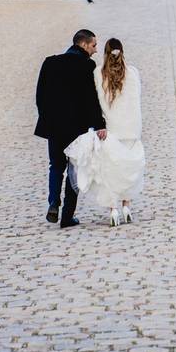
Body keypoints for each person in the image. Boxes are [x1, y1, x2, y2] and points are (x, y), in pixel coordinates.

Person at [65, 38, 145, 227]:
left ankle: (114, 210)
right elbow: (137, 98)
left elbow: (96, 103)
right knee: (129, 168)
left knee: (110, 170)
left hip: (111, 130)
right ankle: (126, 206)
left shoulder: (98, 73)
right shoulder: (133, 73)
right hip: (132, 129)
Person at [34, 29, 107, 229]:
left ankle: (53, 203)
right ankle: (67, 217)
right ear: (83, 45)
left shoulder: (50, 63)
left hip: (55, 127)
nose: (95, 51)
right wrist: (99, 124)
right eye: (93, 46)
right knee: (74, 169)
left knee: (56, 166)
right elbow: (91, 99)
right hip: (77, 128)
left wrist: (47, 119)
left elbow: (40, 96)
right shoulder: (87, 65)